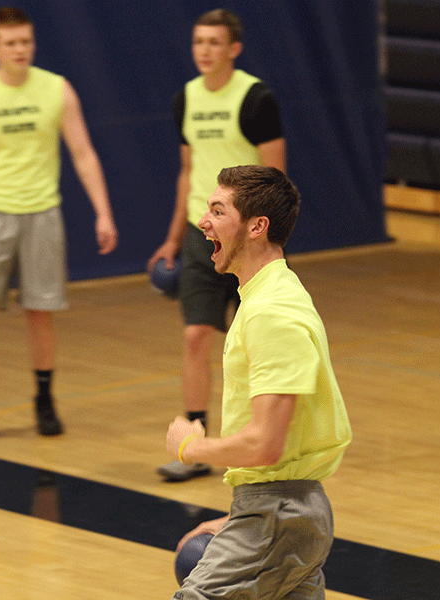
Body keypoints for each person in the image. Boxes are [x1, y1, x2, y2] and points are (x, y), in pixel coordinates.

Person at [165, 165, 351, 599]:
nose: (202, 221)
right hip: (279, 511)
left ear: (256, 227)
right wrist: (241, 516)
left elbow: (265, 444)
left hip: (279, 512)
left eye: (217, 210)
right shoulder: (270, 298)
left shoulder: (271, 314)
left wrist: (190, 448)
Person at [0, 7, 118, 443]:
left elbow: (83, 153)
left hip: (43, 213)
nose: (20, 49)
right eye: (10, 43)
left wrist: (103, 211)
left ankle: (44, 401)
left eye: (26, 41)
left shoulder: (57, 90)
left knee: (40, 314)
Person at [149, 9, 287, 481]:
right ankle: (196, 444)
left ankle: (259, 437)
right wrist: (172, 238)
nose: (204, 50)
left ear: (234, 50)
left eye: (214, 42)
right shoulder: (184, 99)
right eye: (198, 42)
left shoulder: (255, 99)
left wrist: (269, 239)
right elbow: (187, 172)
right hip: (199, 233)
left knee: (247, 344)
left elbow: (275, 177)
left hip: (246, 239)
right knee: (194, 336)